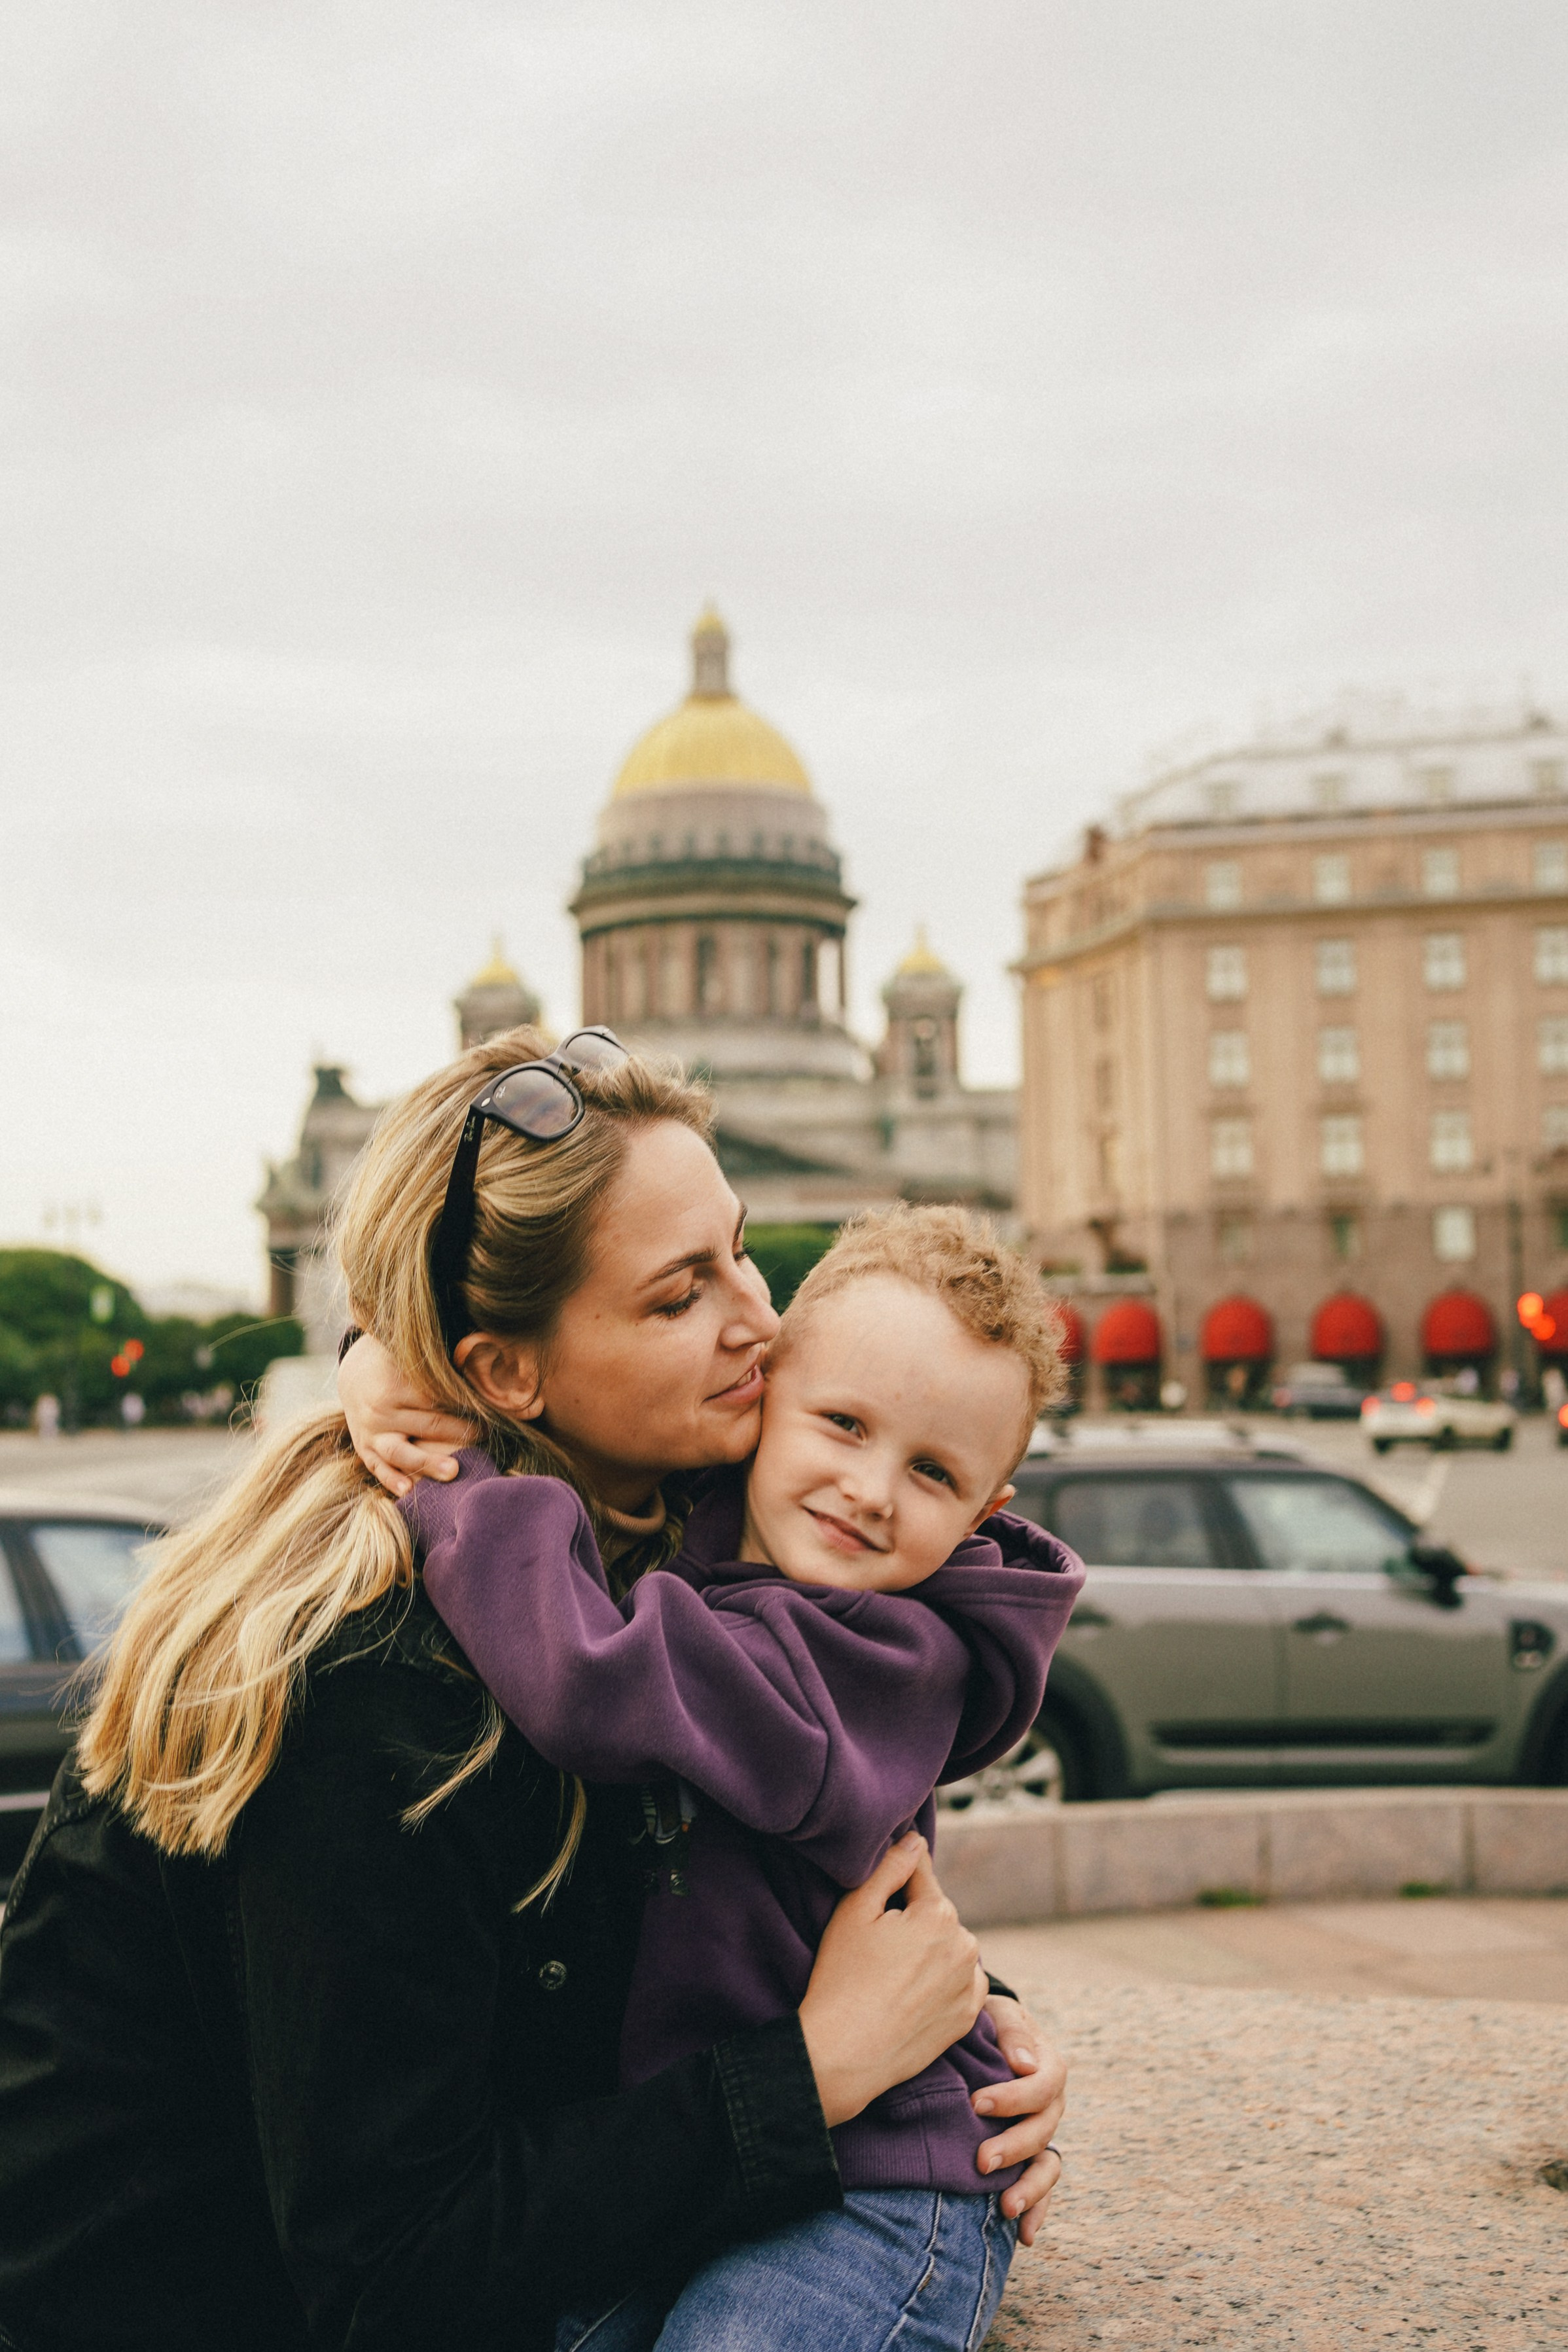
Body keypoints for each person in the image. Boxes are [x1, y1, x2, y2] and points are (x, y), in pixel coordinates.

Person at [0, 1028, 1065, 2352]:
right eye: (681, 1297)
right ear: (504, 1373)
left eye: (740, 1250)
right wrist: (813, 2075)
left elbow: (734, 1861)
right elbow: (388, 2269)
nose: (763, 1323)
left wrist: (961, 2019)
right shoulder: (377, 1676)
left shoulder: (621, 1553)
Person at [389, 1201, 1084, 2351]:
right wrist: (380, 1363)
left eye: (932, 1471)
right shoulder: (709, 1540)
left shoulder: (885, 1654)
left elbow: (586, 1678)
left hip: (880, 2177)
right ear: (767, 1400)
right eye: (844, 1423)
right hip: (728, 2141)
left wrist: (446, 1477)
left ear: (982, 1517)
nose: (869, 1488)